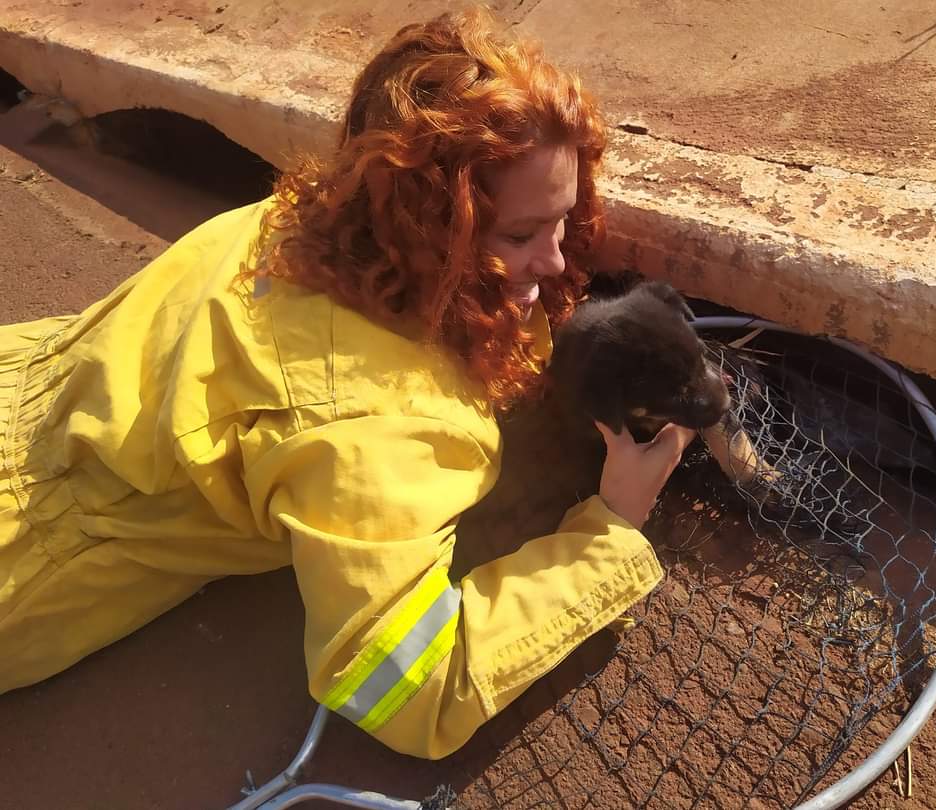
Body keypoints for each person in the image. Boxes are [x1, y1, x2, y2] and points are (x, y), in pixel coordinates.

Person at [0, 6, 695, 758]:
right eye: (521, 234)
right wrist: (613, 527)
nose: (558, 262)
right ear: (430, 226)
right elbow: (410, 687)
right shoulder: (379, 428)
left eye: (559, 222)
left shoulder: (288, 221)